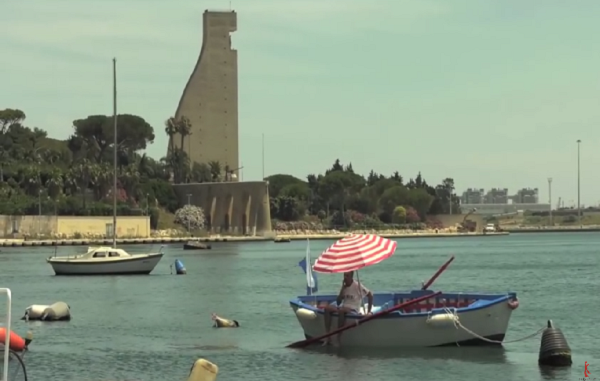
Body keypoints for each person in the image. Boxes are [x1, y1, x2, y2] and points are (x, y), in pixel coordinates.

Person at [322, 271, 373, 345]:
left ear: (351, 277)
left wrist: (369, 311)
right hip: (343, 307)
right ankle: (328, 335)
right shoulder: (344, 287)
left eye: (347, 276)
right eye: (344, 275)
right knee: (327, 309)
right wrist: (342, 288)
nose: (345, 278)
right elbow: (338, 302)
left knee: (342, 311)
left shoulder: (357, 285)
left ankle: (338, 337)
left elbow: (370, 295)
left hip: (353, 309)